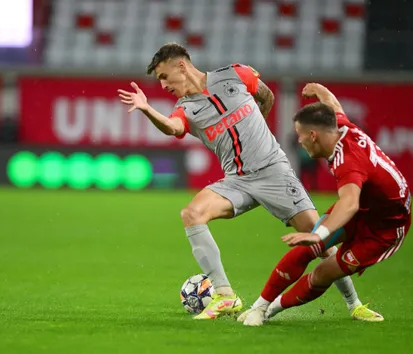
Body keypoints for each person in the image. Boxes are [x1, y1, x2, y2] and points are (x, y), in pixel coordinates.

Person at [117, 43, 375, 320]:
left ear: (181, 65)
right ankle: (225, 295)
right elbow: (172, 128)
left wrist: (257, 131)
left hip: (274, 173)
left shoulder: (235, 74)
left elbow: (266, 96)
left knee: (320, 241)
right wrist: (146, 108)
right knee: (191, 214)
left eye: (164, 76)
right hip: (237, 181)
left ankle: (355, 305)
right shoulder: (185, 109)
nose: (163, 84)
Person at [239, 83, 411, 326]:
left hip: (385, 228)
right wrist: (319, 90)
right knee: (304, 250)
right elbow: (334, 106)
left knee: (323, 273)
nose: (298, 140)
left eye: (300, 134)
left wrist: (319, 234)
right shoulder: (339, 127)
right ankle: (258, 307)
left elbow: (349, 204)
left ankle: (270, 311)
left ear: (313, 136)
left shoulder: (348, 162)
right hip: (365, 206)